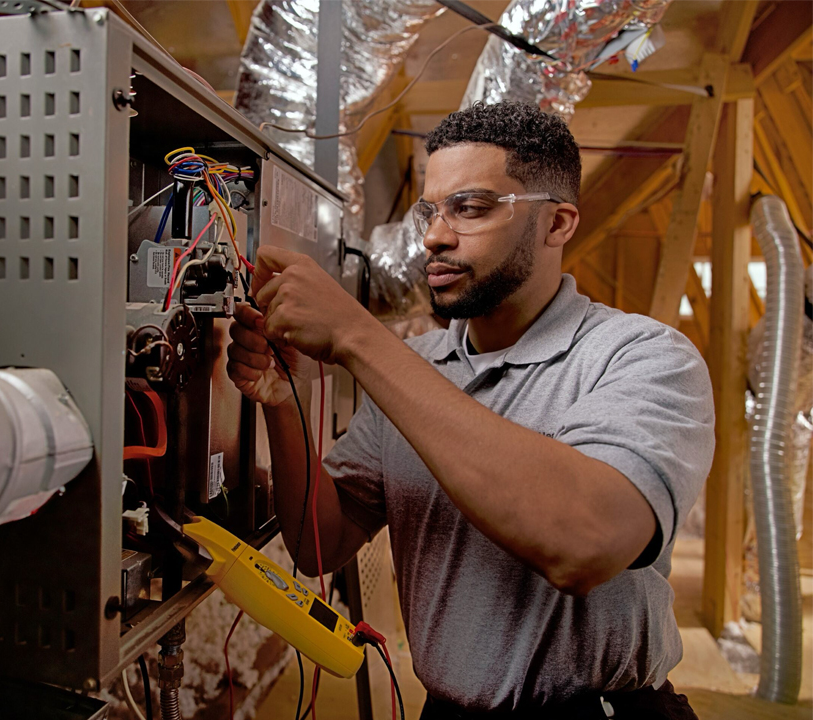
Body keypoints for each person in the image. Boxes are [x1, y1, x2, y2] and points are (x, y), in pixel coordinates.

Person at [226, 101, 714, 719]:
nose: (434, 236)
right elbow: (319, 544)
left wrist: (357, 336)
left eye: (472, 208)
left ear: (557, 224)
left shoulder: (642, 357)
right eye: (430, 211)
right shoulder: (414, 369)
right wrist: (283, 402)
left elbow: (584, 541)